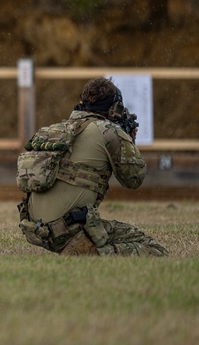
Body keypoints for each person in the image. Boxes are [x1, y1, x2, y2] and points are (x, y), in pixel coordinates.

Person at [16, 77, 168, 256]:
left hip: (36, 229)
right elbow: (134, 179)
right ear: (114, 109)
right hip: (68, 230)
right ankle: (95, 255)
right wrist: (129, 142)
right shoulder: (109, 132)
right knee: (154, 250)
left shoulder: (60, 129)